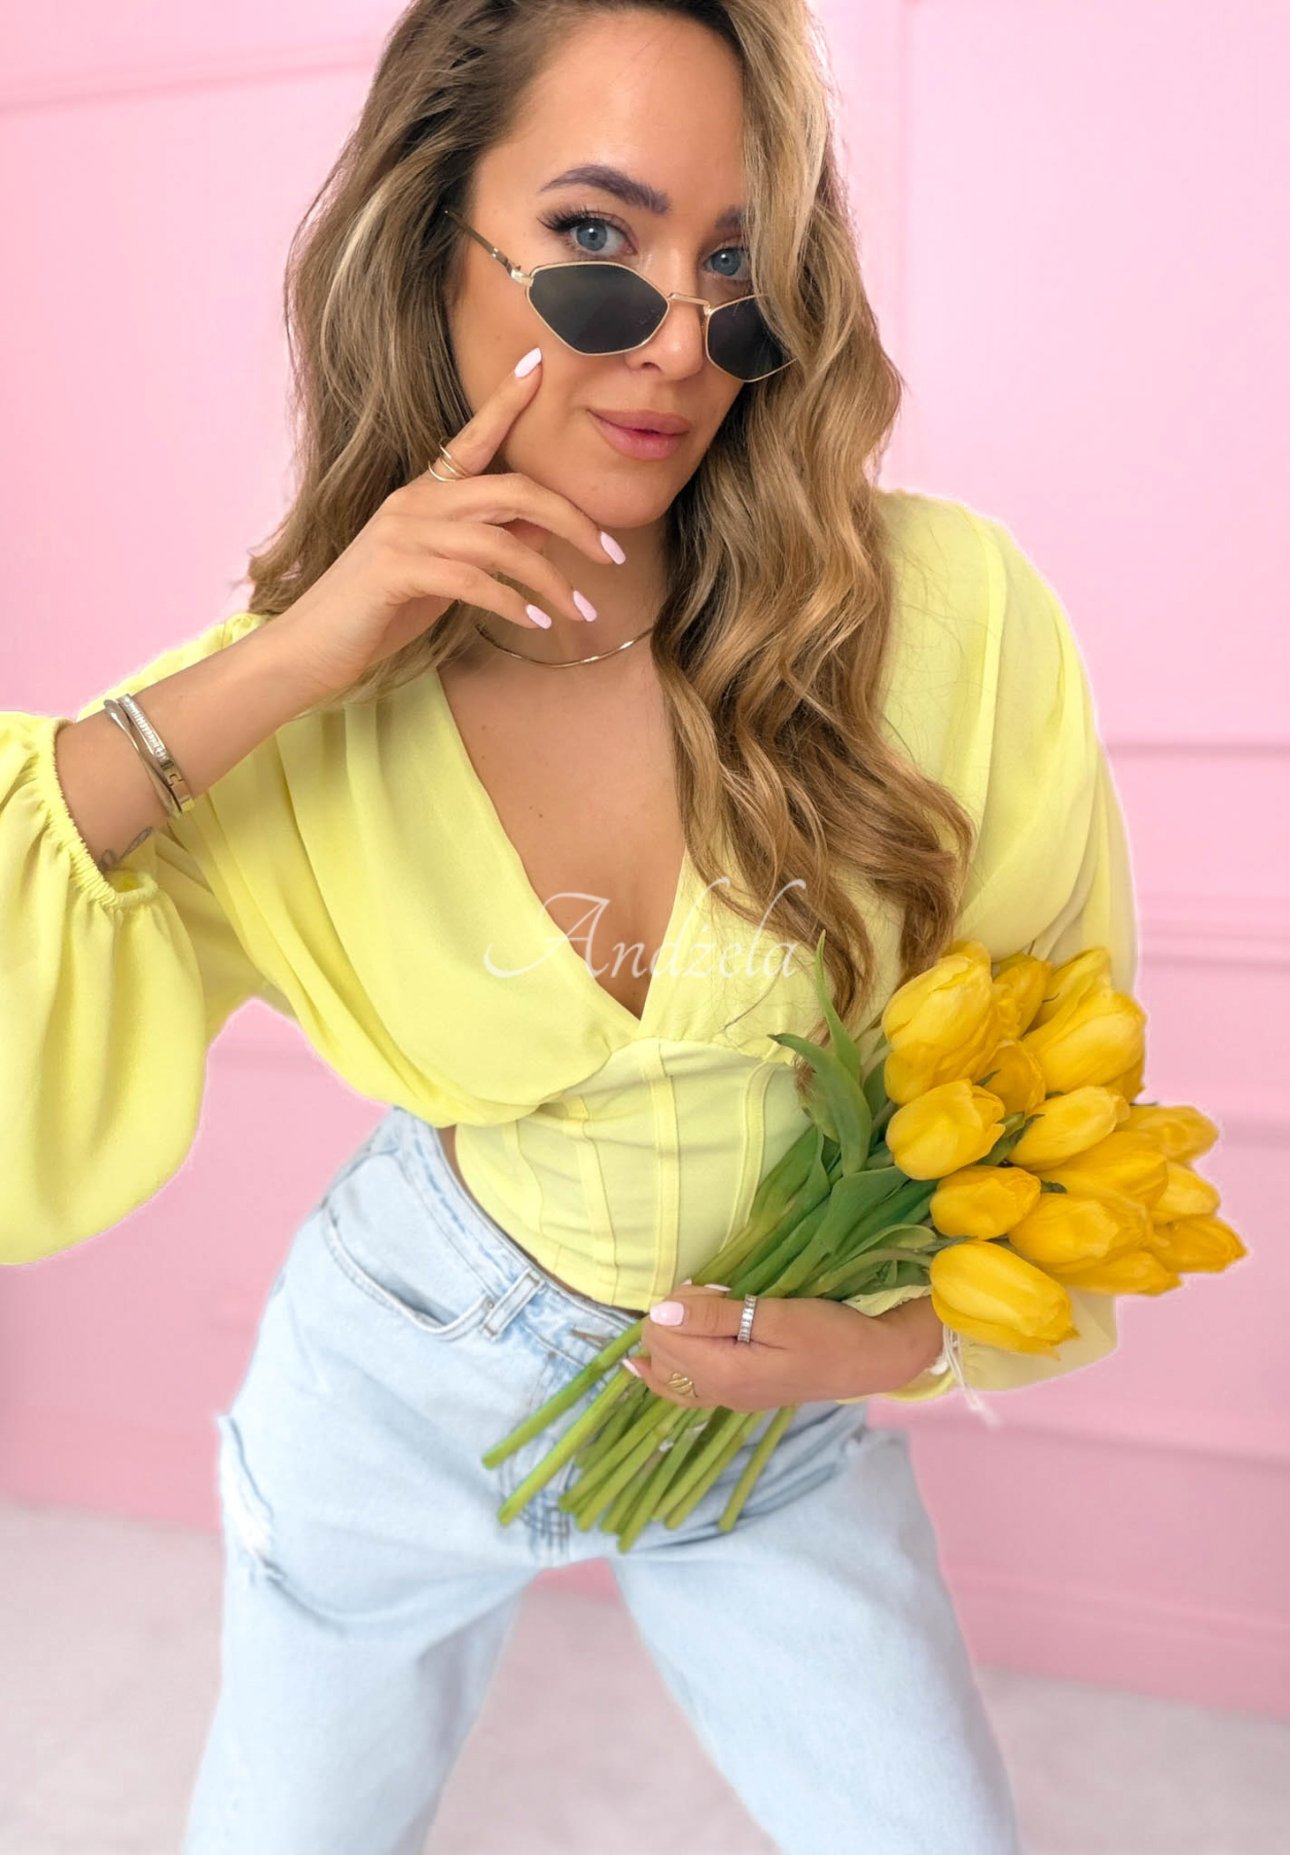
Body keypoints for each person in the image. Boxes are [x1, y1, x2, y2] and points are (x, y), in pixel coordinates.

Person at [1, 1, 1139, 1849]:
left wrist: (883, 1345)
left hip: (773, 1426)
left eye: (735, 269)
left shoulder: (940, 616)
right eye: (598, 246)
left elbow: (1058, 1079)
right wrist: (294, 654)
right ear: (427, 238)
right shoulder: (300, 687)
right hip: (394, 1374)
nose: (681, 344)